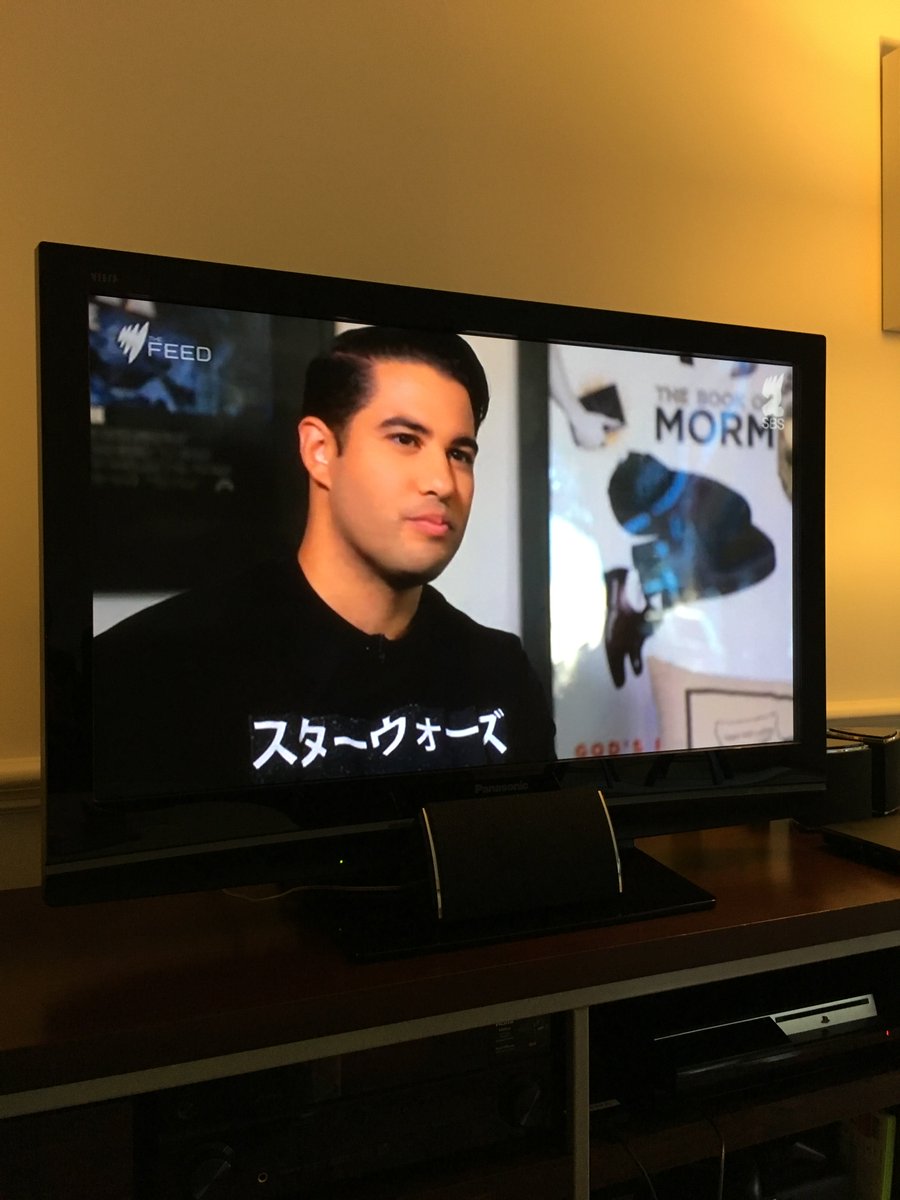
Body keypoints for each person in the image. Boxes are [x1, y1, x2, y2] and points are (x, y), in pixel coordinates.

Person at [93, 326, 555, 799]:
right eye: (405, 439)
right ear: (319, 450)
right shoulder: (154, 669)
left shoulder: (500, 674)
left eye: (459, 453)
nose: (442, 481)